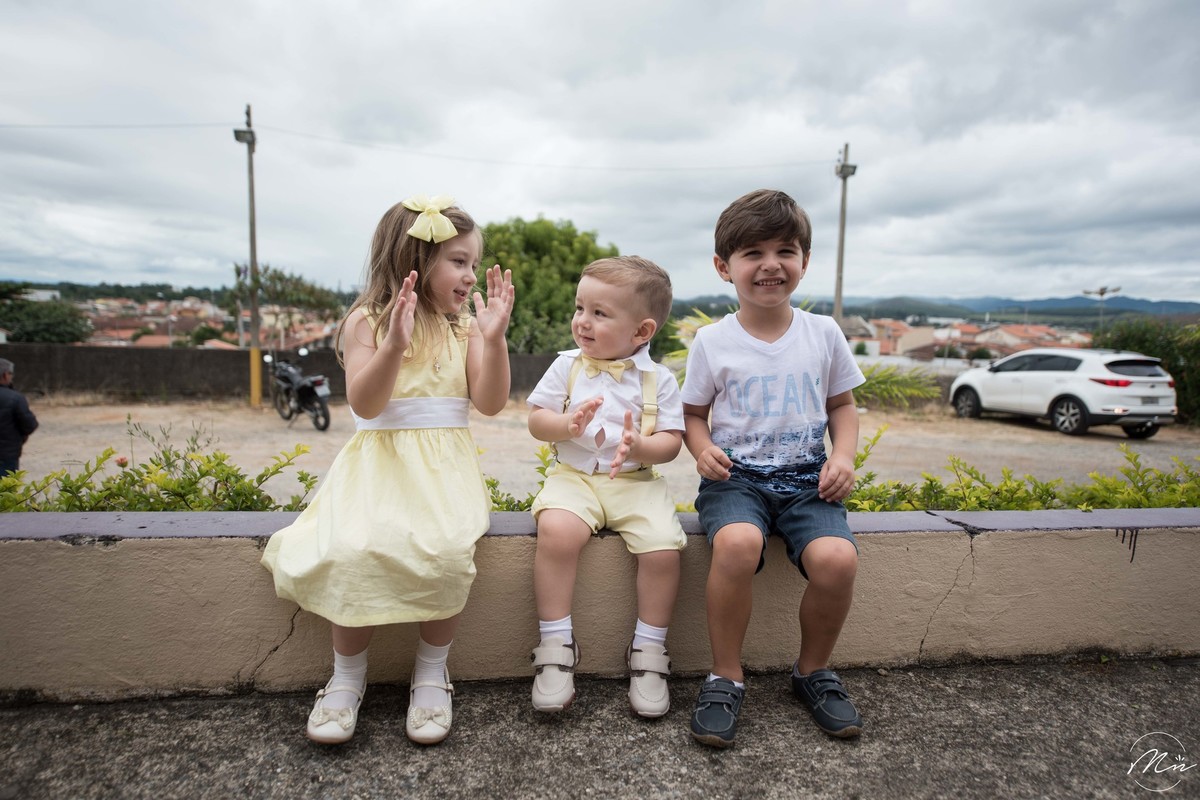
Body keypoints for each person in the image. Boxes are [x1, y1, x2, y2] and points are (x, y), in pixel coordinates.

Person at [261, 195, 515, 746]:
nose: (471, 275)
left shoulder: (463, 327)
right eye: (459, 261)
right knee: (353, 552)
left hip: (443, 471)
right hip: (377, 468)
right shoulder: (366, 321)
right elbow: (366, 403)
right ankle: (347, 678)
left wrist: (492, 340)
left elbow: (490, 402)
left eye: (474, 263)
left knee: (448, 555)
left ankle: (431, 670)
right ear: (414, 260)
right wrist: (395, 345)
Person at [680, 189, 866, 748]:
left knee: (837, 559)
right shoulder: (712, 341)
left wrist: (844, 456)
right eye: (751, 252)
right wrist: (701, 448)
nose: (770, 264)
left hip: (810, 482)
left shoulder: (824, 333)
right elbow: (692, 414)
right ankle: (725, 675)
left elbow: (843, 405)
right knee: (736, 544)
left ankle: (812, 672)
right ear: (723, 267)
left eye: (785, 250)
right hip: (736, 481)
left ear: (804, 262)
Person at [526, 256, 686, 718]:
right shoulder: (566, 367)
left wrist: (641, 446)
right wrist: (564, 423)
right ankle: (556, 645)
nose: (583, 322)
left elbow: (672, 443)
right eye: (580, 308)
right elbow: (536, 420)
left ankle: (648, 651)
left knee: (661, 551)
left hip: (636, 483)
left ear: (642, 331)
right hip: (574, 478)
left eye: (600, 313)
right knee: (557, 531)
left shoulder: (660, 380)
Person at [0, 358, 38, 476]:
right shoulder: (15, 398)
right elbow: (30, 424)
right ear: (5, 375)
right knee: (6, 492)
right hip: (6, 456)